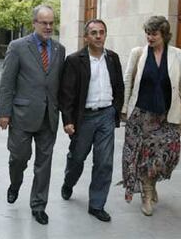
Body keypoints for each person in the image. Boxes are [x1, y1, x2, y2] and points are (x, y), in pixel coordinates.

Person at [121, 15, 181, 216]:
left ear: (164, 35)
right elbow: (128, 80)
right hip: (141, 116)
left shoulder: (177, 55)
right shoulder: (138, 53)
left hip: (166, 116)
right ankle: (146, 194)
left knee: (165, 157)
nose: (149, 37)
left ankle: (151, 183)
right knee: (144, 158)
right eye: (147, 33)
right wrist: (123, 108)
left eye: (154, 34)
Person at [0, 5, 65, 225]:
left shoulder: (59, 49)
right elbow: (7, 82)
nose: (48, 27)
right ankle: (15, 183)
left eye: (51, 23)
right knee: (18, 158)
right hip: (22, 115)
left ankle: (38, 205)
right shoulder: (17, 47)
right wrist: (4, 113)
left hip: (49, 116)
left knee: (44, 164)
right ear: (34, 23)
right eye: (43, 22)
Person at [59, 19, 124, 222]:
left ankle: (97, 205)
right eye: (93, 33)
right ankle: (69, 182)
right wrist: (68, 120)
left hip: (106, 115)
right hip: (84, 117)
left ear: (105, 35)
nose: (98, 36)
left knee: (104, 163)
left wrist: (115, 110)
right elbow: (66, 93)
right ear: (86, 37)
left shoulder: (113, 58)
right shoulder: (74, 60)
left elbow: (119, 87)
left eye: (101, 32)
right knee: (77, 158)